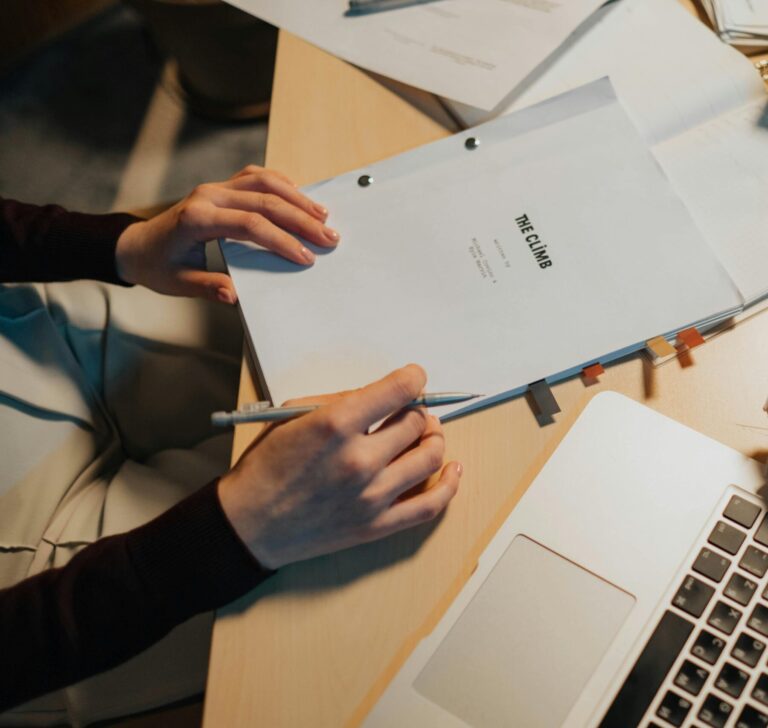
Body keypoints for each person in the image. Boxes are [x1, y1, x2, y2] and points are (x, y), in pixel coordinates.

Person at [0, 165, 462, 722]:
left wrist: (122, 244)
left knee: (327, 320)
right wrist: (232, 534)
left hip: (26, 323)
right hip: (41, 579)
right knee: (400, 590)